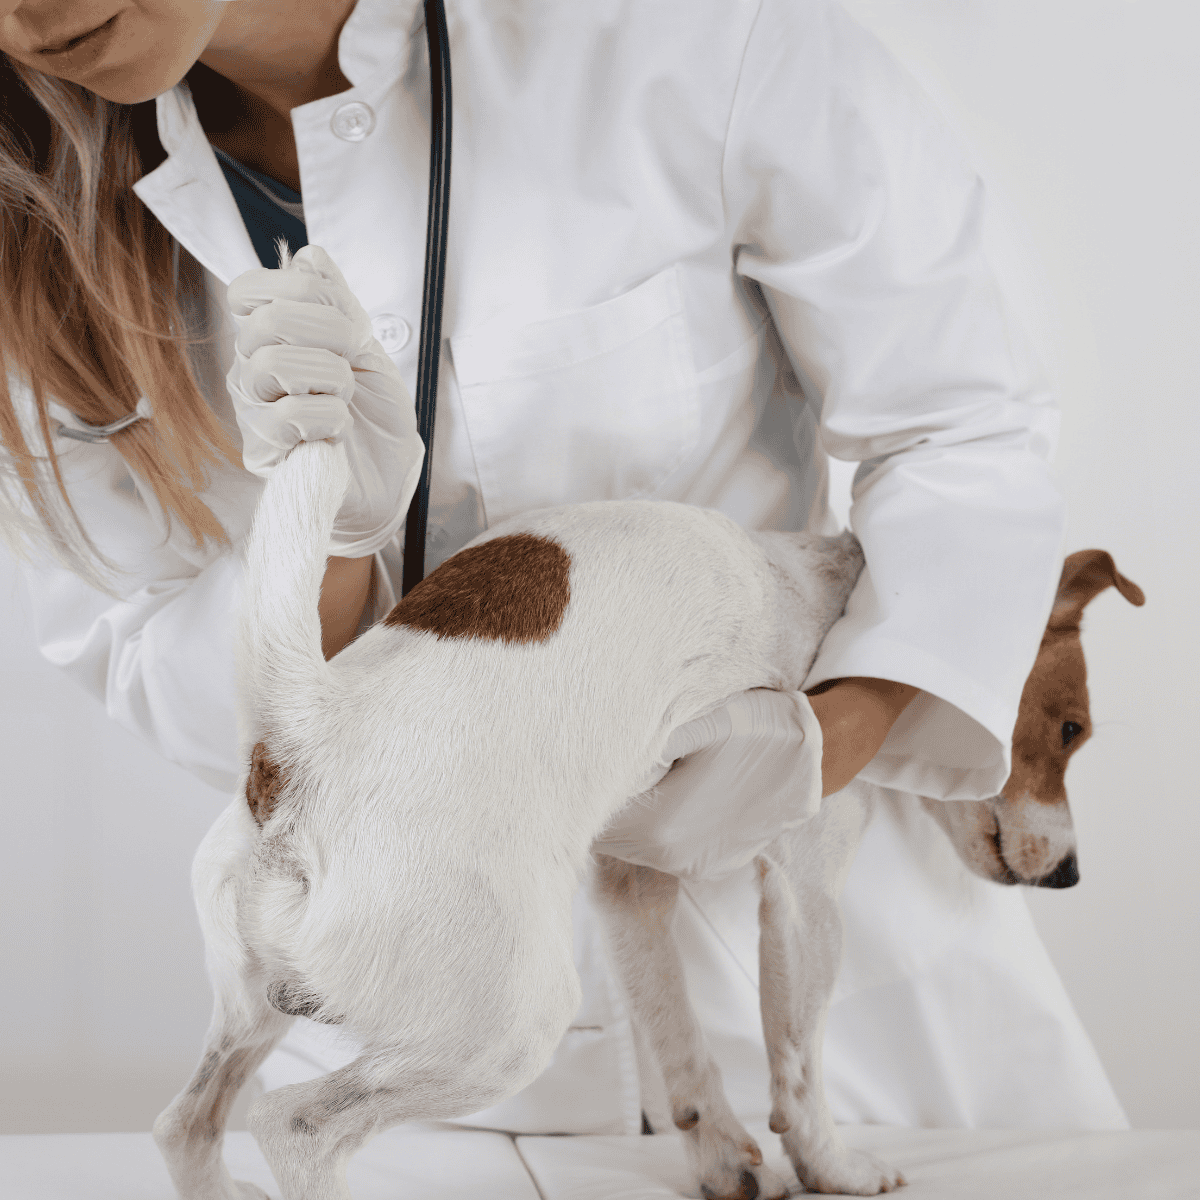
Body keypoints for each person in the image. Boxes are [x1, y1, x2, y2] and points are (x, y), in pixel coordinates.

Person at [0, 0, 1126, 1137]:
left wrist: (829, 742)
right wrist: (335, 538)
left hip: (838, 1012)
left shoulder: (685, 35)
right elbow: (153, 649)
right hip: (426, 1010)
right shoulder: (24, 211)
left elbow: (959, 429)